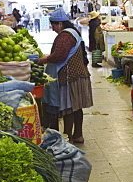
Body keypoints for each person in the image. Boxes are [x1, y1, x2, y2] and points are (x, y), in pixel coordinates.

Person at [37, 9, 93, 144]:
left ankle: (68, 138)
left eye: (54, 25)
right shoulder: (74, 32)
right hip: (79, 75)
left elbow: (59, 56)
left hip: (70, 77)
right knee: (77, 107)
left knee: (68, 108)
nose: (53, 29)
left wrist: (42, 60)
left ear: (60, 24)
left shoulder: (65, 35)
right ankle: (78, 135)